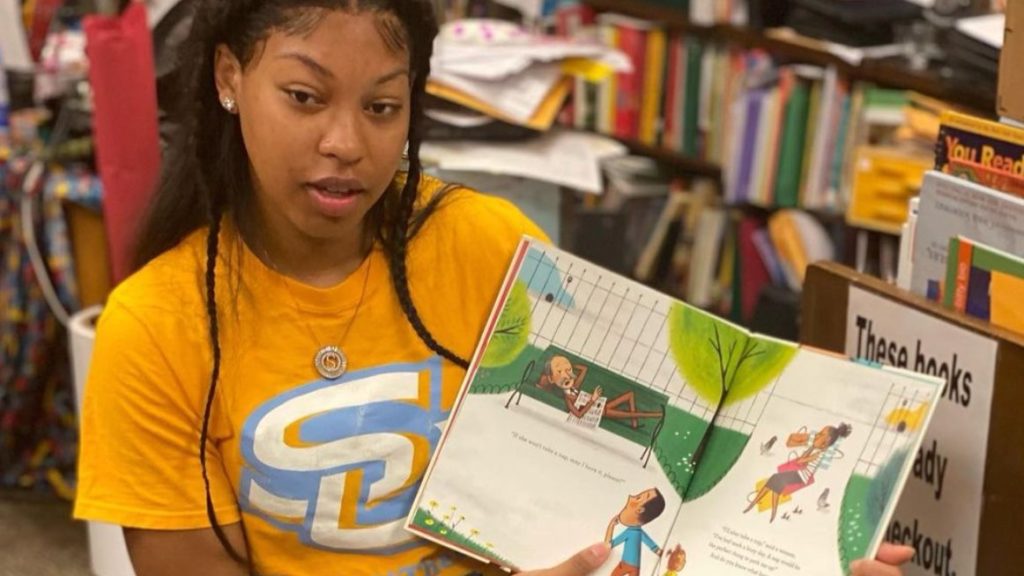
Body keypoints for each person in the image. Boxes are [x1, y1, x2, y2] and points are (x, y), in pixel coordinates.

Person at [71, 1, 915, 575]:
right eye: (304, 97)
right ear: (227, 79)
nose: (345, 143)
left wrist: (798, 548)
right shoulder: (155, 326)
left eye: (382, 108)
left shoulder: (483, 245)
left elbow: (645, 475)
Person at [744, 423, 852, 523]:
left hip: (802, 476)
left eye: (820, 435)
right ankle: (763, 508)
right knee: (775, 480)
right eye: (818, 433)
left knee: (776, 480)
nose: (817, 436)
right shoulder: (815, 448)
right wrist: (810, 446)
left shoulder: (819, 452)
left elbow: (800, 461)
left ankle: (765, 509)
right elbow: (799, 454)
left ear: (827, 440)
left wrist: (810, 450)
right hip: (800, 473)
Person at [542, 355, 663, 429]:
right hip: (600, 412)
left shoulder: (574, 387)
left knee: (630, 395)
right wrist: (592, 400)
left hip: (601, 405)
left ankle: (635, 425)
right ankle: (657, 415)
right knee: (632, 414)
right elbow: (579, 415)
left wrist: (572, 367)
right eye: (559, 372)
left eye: (568, 370)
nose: (566, 375)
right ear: (551, 379)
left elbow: (584, 371)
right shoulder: (568, 399)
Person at [604, 489, 666, 576]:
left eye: (638, 498)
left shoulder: (635, 533)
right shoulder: (631, 532)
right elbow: (609, 545)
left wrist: (611, 526)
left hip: (632, 567)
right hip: (626, 565)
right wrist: (611, 526)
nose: (630, 497)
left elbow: (651, 544)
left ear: (640, 510)